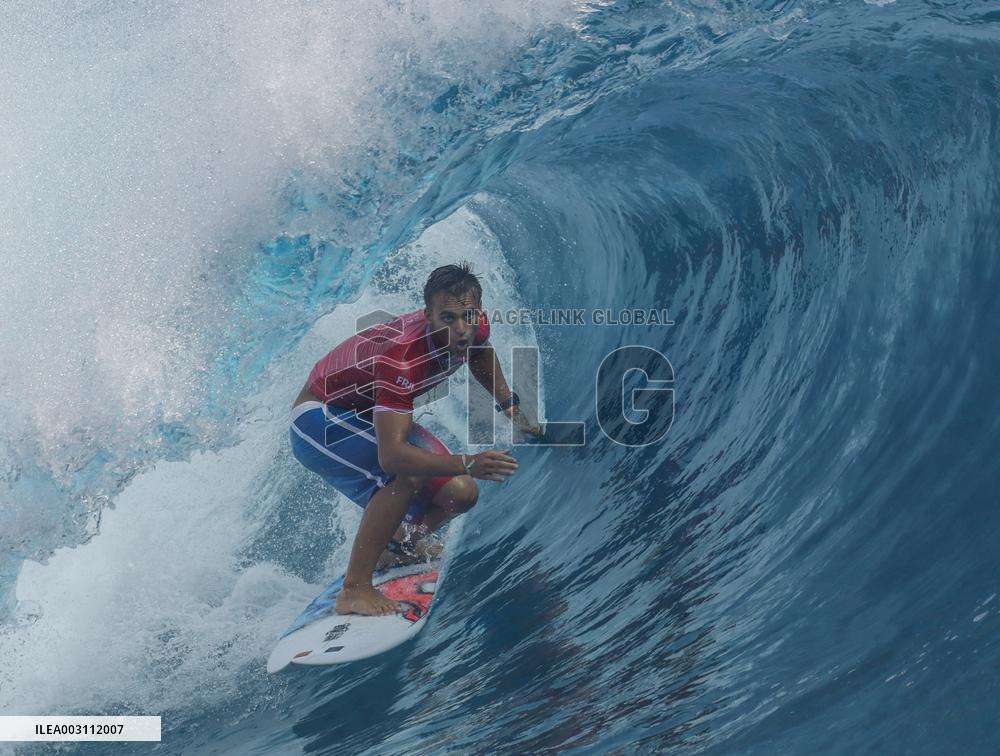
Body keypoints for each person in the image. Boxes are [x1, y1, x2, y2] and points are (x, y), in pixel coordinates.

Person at [290, 263, 542, 616]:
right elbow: (392, 458)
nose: (461, 329)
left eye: (469, 316)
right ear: (429, 316)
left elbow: (479, 352)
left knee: (462, 493)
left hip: (367, 412)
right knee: (406, 472)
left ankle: (398, 545)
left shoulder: (472, 325)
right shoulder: (404, 357)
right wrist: (469, 461)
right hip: (320, 419)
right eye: (448, 319)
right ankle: (354, 588)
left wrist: (509, 406)